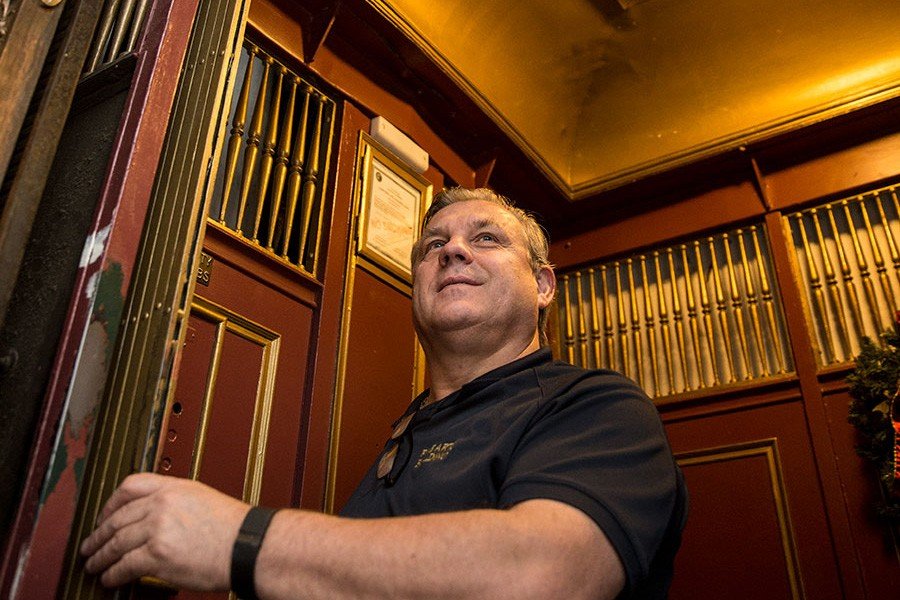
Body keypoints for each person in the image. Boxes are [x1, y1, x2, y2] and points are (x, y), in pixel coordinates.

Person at [81, 187, 687, 599]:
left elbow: (545, 575)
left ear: (544, 285)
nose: (452, 249)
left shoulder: (595, 406)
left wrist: (240, 541)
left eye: (487, 240)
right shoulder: (406, 435)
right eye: (433, 245)